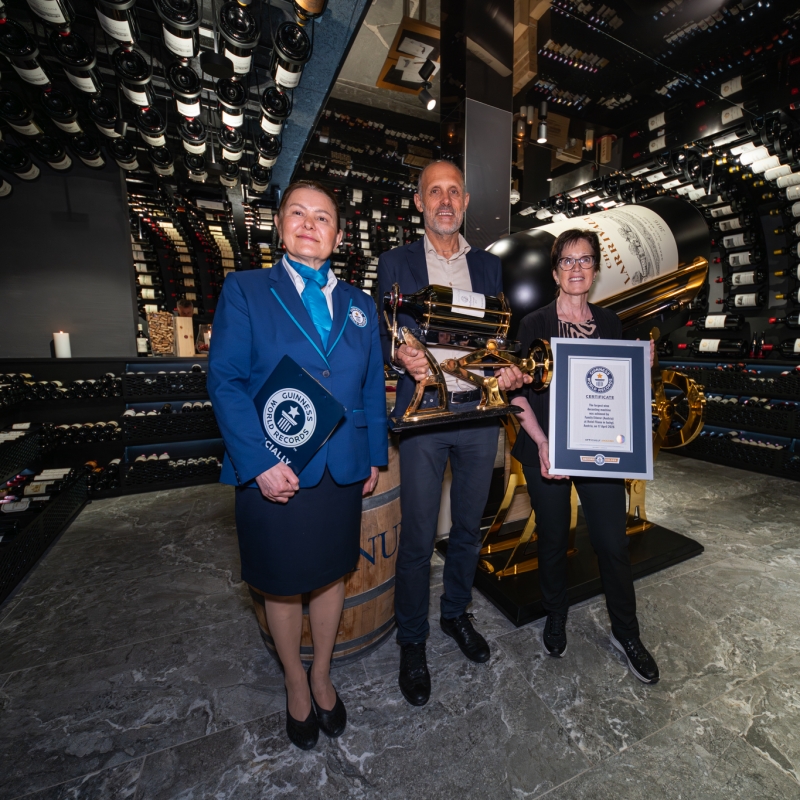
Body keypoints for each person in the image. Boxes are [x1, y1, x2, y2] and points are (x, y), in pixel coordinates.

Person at [208, 179, 388, 749]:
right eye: (298, 214)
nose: (310, 224)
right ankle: (294, 680)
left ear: (338, 236)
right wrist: (258, 461)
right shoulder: (245, 290)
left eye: (323, 217)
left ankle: (322, 673)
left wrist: (374, 455)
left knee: (332, 573)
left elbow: (371, 385)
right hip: (276, 466)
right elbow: (225, 381)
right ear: (280, 226)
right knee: (282, 583)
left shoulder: (361, 304)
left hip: (342, 464)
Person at [377, 160, 528, 707]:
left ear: (464, 202)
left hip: (478, 414)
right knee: (418, 538)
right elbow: (381, 336)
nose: (445, 201)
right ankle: (412, 639)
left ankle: (455, 614)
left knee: (467, 528)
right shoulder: (395, 263)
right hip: (425, 416)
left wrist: (509, 370)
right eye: (434, 192)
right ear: (419, 202)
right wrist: (398, 355)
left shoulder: (488, 266)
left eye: (454, 192)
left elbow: (499, 338)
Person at [510, 228, 660, 684]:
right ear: (555, 272)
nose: (576, 268)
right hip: (545, 449)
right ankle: (556, 614)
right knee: (554, 538)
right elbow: (516, 394)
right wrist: (542, 442)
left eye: (585, 260)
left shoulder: (611, 323)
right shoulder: (533, 325)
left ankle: (626, 633)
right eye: (567, 260)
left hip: (598, 453)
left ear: (595, 270)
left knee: (612, 542)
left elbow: (615, 393)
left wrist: (642, 369)